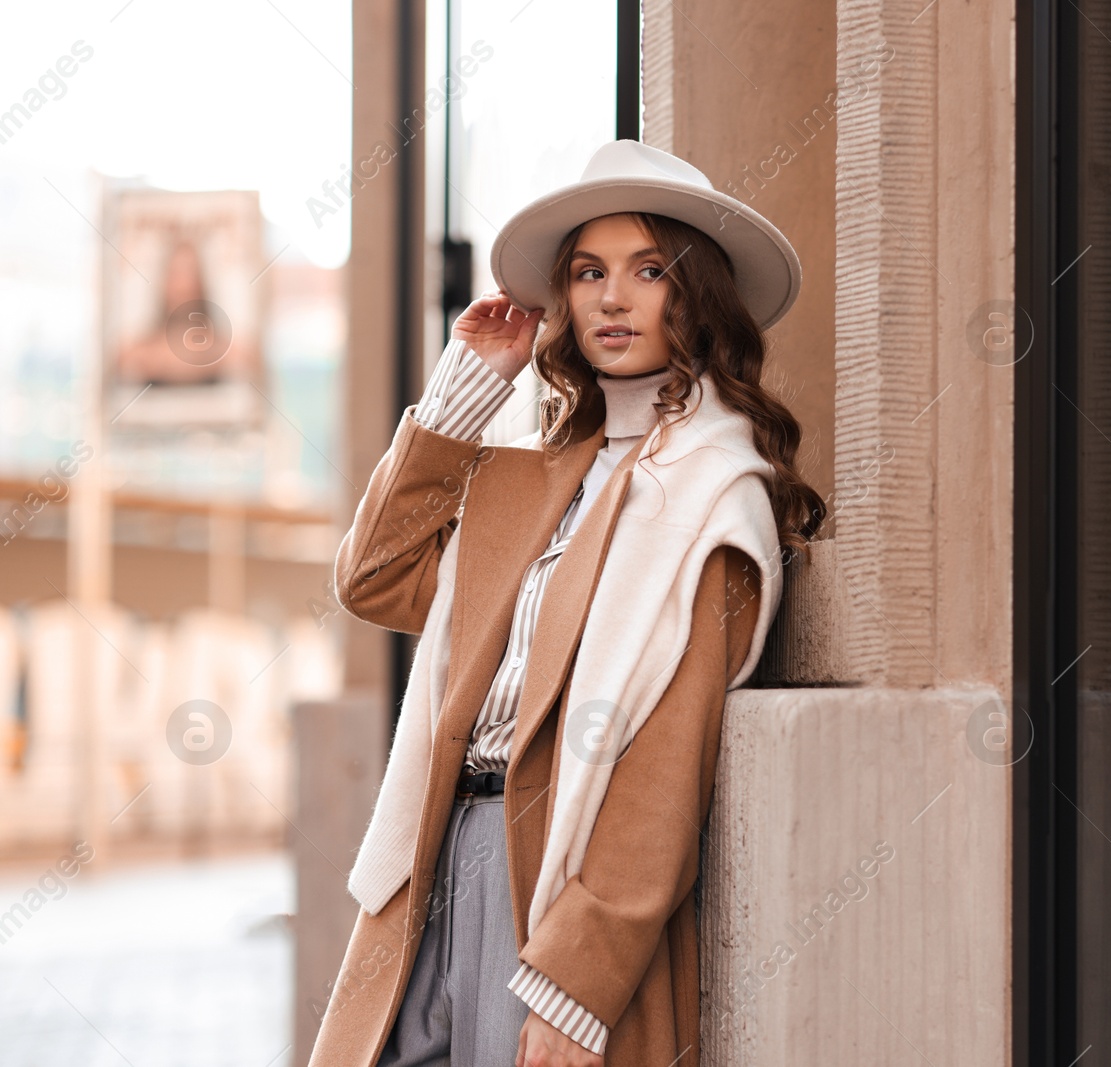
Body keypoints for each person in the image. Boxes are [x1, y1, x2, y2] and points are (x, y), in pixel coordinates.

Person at [309, 140, 824, 1067]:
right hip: (431, 859)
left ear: (695, 296)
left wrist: (575, 982)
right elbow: (373, 577)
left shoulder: (714, 497)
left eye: (649, 270)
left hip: (553, 879)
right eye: (589, 273)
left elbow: (664, 772)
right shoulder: (537, 481)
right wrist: (468, 387)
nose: (612, 298)